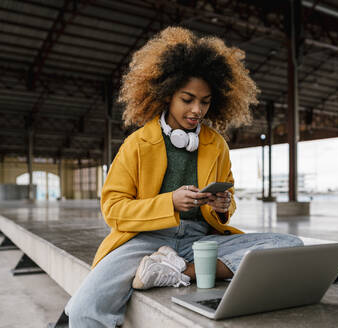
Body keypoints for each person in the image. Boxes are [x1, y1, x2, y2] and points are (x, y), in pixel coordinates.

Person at [65, 27, 303, 327]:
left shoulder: (216, 145)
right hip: (143, 241)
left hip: (199, 241)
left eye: (205, 101)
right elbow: (113, 210)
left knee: (289, 244)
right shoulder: (136, 144)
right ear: (166, 95)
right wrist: (170, 203)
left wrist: (221, 205)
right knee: (84, 310)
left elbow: (227, 212)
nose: (197, 110)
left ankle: (177, 271)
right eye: (187, 99)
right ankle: (172, 267)